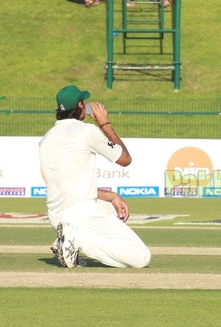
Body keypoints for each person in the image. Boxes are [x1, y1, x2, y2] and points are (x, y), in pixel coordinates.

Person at [40, 85, 150, 268]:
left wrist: (111, 196)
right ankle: (75, 238)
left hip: (57, 215)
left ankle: (71, 244)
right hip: (80, 213)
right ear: (81, 106)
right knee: (141, 257)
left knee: (111, 205)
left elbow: (70, 184)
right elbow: (125, 159)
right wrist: (104, 124)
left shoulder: (47, 137)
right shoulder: (85, 131)